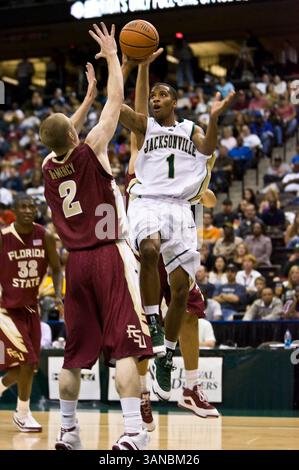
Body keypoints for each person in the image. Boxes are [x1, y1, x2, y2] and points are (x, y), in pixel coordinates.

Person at [40, 23, 152, 451]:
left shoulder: (49, 167)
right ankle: (135, 434)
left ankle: (68, 432)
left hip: (76, 264)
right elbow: (117, 103)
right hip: (108, 255)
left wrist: (85, 97)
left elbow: (59, 133)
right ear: (73, 134)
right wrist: (110, 59)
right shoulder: (91, 147)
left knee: (74, 354)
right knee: (124, 349)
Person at [120, 50, 235, 403]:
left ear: (175, 101)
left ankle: (167, 355)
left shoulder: (190, 129)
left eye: (163, 94)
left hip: (181, 210)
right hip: (147, 201)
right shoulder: (145, 126)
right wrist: (134, 66)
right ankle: (153, 322)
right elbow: (116, 107)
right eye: (153, 95)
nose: (155, 98)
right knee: (150, 248)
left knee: (183, 292)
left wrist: (214, 118)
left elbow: (209, 146)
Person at [0, 194, 62, 432]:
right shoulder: (4, 237)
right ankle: (22, 413)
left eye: (32, 207)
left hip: (31, 308)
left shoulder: (44, 236)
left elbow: (57, 269)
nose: (28, 210)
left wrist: (57, 293)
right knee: (27, 362)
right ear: (14, 210)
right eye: (23, 206)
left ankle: (3, 390)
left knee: (27, 367)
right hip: (6, 310)